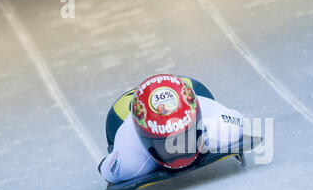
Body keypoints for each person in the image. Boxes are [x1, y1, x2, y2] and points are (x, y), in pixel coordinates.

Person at [99, 74, 244, 184]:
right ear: (144, 140)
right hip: (125, 118)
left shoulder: (221, 128)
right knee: (114, 122)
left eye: (186, 138)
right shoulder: (130, 161)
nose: (178, 149)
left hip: (195, 95)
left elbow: (237, 119)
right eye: (165, 144)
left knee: (197, 88)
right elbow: (106, 169)